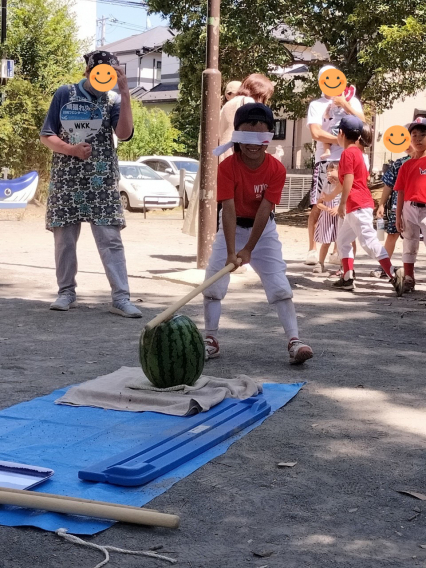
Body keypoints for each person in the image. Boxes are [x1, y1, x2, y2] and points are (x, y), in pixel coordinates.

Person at [203, 103, 313, 365]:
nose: (253, 145)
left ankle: (294, 340)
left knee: (279, 286)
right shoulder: (227, 166)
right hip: (231, 227)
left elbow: (265, 210)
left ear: (269, 137)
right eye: (246, 136)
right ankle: (210, 339)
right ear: (237, 136)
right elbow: (227, 210)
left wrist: (249, 249)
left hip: (263, 231)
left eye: (260, 137)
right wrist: (232, 251)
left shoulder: (276, 169)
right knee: (212, 285)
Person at [40, 50, 142, 317]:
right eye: (99, 75)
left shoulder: (113, 99)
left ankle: (121, 297)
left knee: (110, 238)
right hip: (67, 178)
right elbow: (46, 135)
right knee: (64, 238)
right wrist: (71, 149)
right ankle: (66, 292)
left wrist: (125, 92)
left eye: (110, 75)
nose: (103, 81)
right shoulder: (65, 93)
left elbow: (124, 133)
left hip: (102, 179)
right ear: (87, 73)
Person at [330, 116, 404, 294]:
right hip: (358, 204)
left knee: (369, 241)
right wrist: (330, 196)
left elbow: (349, 178)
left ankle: (393, 273)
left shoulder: (348, 153)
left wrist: (340, 203)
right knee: (342, 241)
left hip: (356, 204)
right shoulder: (359, 154)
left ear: (341, 133)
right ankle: (347, 277)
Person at [305, 65, 365, 266]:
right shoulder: (316, 104)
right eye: (325, 78)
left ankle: (340, 250)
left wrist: (346, 105)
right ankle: (312, 250)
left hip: (348, 158)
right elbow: (315, 133)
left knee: (346, 204)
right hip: (325, 159)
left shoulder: (352, 99)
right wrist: (340, 141)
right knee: (319, 204)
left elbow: (363, 125)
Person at [371, 137, 414, 279]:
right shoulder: (399, 163)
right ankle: (384, 267)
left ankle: (410, 274)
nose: (409, 144)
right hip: (398, 205)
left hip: (421, 206)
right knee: (392, 235)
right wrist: (382, 204)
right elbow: (388, 184)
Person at [394, 117, 426, 293]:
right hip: (409, 208)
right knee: (409, 242)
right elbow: (400, 191)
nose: (418, 138)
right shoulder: (406, 165)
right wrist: (398, 215)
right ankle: (408, 277)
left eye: (423, 134)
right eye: (414, 135)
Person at [218, 74, 274, 162]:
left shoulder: (228, 104)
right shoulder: (248, 102)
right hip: (237, 156)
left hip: (222, 154)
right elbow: (254, 136)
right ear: (260, 93)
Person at [312, 161, 340, 274]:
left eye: (332, 170)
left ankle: (344, 266)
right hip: (328, 217)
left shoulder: (343, 184)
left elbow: (347, 199)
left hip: (340, 216)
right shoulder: (326, 185)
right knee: (326, 241)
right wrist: (327, 209)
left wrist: (338, 207)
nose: (329, 173)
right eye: (327, 171)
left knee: (342, 241)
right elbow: (319, 203)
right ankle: (321, 262)